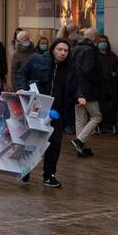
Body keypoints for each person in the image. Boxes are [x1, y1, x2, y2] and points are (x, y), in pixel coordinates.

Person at [18, 38, 72, 187]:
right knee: (32, 140)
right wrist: (21, 87)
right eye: (59, 49)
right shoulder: (37, 59)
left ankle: (49, 175)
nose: (62, 53)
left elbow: (76, 85)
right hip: (37, 107)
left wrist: (80, 96)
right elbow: (21, 73)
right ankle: (25, 168)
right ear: (52, 49)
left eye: (65, 51)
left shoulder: (70, 68)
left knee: (54, 144)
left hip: (57, 112)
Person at [70, 27, 105, 156]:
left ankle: (80, 148)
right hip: (88, 90)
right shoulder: (90, 51)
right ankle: (79, 141)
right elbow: (88, 70)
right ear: (95, 38)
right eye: (98, 38)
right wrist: (98, 79)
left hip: (75, 89)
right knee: (96, 116)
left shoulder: (75, 49)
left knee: (80, 120)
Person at [98, 34, 118, 135]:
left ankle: (110, 125)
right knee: (101, 106)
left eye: (104, 41)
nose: (102, 44)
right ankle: (100, 126)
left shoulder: (112, 56)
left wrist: (116, 73)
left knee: (111, 106)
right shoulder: (95, 56)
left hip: (111, 85)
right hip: (100, 86)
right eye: (100, 42)